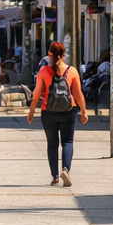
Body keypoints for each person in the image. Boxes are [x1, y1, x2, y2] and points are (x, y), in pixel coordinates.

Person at [27, 41, 87, 187]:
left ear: (50, 54)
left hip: (49, 111)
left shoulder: (43, 71)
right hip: (69, 111)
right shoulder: (72, 71)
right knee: (67, 142)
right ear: (64, 55)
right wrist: (83, 111)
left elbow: (36, 94)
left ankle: (55, 176)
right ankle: (65, 169)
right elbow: (78, 94)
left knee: (52, 143)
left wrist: (32, 110)